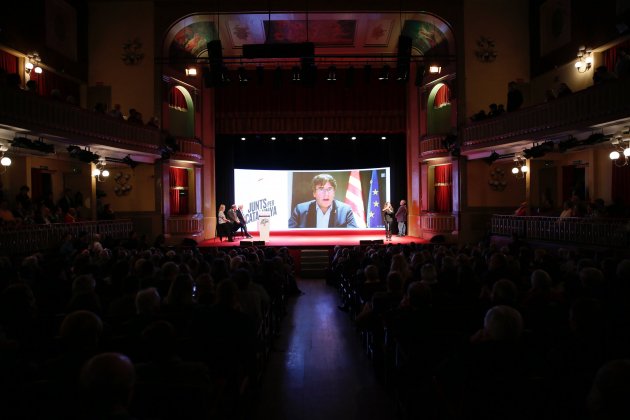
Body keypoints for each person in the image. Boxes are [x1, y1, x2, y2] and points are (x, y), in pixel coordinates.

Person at [288, 173, 357, 228]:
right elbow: (290, 236)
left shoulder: (345, 210)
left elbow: (352, 236)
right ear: (314, 193)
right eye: (321, 189)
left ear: (334, 192)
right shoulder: (300, 210)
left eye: (329, 189)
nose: (326, 194)